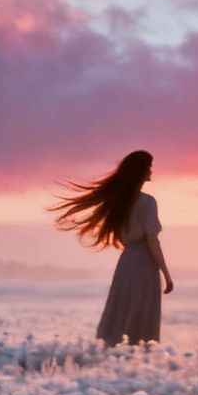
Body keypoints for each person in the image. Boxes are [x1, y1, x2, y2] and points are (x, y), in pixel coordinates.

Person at [49, 149, 174, 347]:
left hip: (126, 263)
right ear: (141, 171)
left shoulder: (119, 201)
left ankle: (112, 354)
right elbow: (153, 241)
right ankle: (139, 359)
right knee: (141, 314)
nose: (152, 170)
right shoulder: (147, 202)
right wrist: (166, 274)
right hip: (143, 263)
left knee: (122, 309)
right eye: (149, 166)